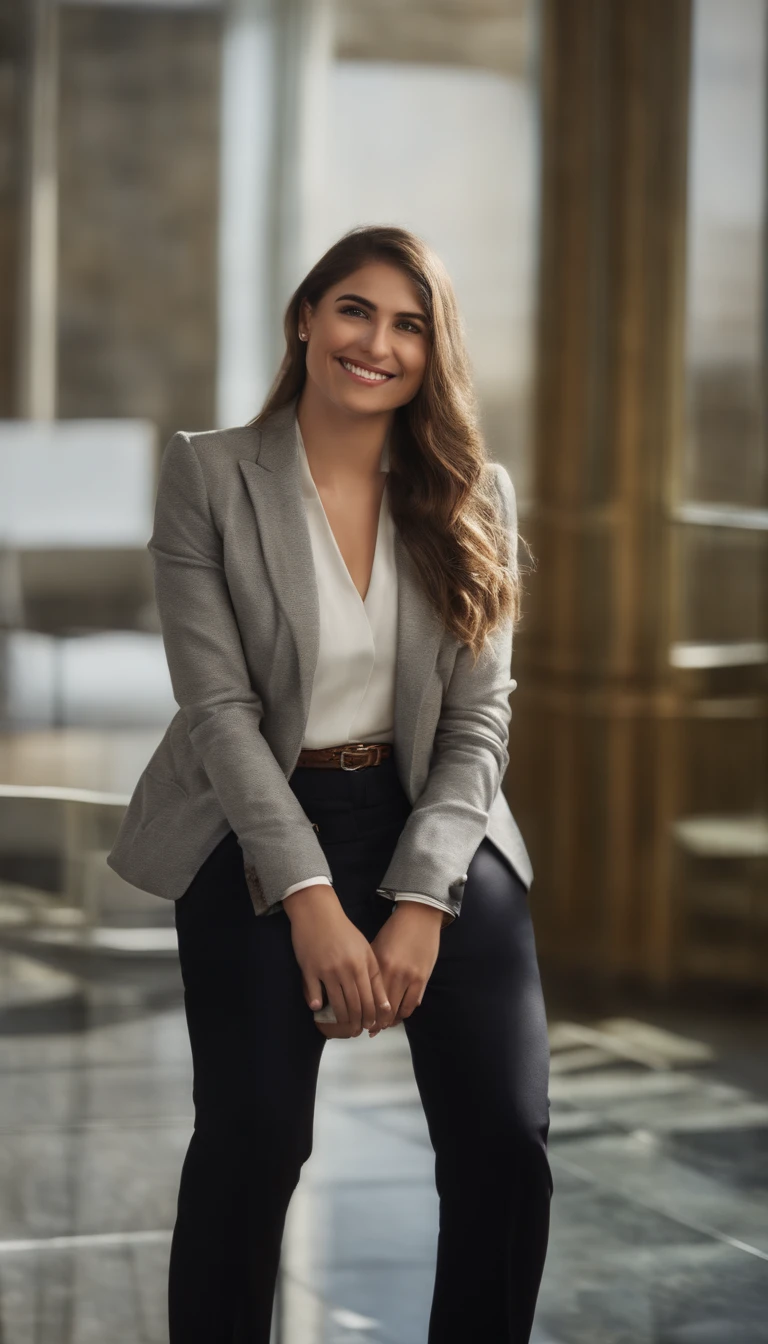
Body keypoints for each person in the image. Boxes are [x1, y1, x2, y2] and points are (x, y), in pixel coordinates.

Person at [107, 224, 553, 1342]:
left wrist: (422, 900)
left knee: (505, 1137)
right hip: (255, 810)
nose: (378, 343)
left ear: (430, 351)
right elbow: (219, 713)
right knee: (254, 1138)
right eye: (356, 309)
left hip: (433, 819)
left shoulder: (471, 491)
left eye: (411, 325)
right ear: (307, 317)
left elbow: (478, 716)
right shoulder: (209, 472)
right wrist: (309, 899)